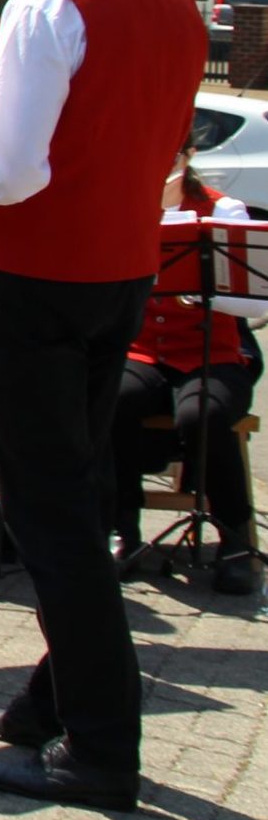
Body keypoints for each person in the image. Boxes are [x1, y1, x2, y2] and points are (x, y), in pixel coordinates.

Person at [0, 0, 208, 811]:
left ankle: (99, 752)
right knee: (75, 502)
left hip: (40, 283)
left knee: (52, 522)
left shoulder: (48, 0)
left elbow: (6, 170)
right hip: (118, 275)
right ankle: (45, 713)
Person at [108, 131, 261, 595]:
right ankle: (122, 529)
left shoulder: (224, 209)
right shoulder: (124, 208)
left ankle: (234, 542)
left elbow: (257, 307)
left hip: (211, 352)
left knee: (205, 415)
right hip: (145, 350)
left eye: (171, 154)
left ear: (189, 156)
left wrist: (204, 294)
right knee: (115, 399)